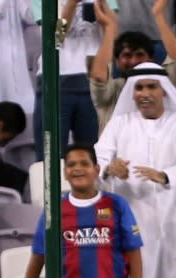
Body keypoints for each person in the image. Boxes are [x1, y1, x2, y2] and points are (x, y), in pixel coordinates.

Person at [96, 62, 176, 278]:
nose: (145, 94)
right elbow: (99, 157)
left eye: (152, 87)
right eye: (139, 88)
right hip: (133, 212)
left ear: (164, 91)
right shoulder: (119, 124)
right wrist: (109, 168)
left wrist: (166, 175)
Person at [19, 144, 143, 278]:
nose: (78, 169)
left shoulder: (117, 204)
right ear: (65, 173)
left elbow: (134, 253)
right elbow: (39, 256)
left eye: (84, 163)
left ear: (97, 170)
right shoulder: (54, 209)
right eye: (71, 165)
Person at [32, 0, 117, 161]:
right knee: (50, 158)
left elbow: (113, 31)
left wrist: (103, 6)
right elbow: (55, 39)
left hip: (94, 80)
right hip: (55, 80)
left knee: (96, 156)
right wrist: (71, 4)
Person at [89, 0, 176, 133]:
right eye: (127, 56)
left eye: (139, 55)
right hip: (118, 153)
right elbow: (99, 78)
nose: (134, 61)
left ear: (151, 59)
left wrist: (158, 15)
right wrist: (110, 27)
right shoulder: (113, 91)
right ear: (117, 62)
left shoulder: (162, 87)